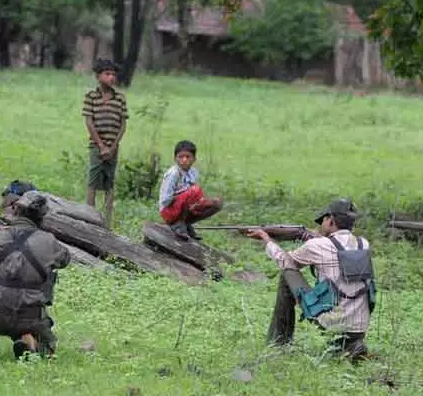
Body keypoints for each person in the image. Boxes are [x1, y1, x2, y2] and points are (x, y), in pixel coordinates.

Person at [245, 198, 375, 361]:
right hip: (360, 327)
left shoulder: (317, 245)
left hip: (331, 323)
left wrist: (266, 238)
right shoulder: (364, 243)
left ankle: (279, 342)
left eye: (323, 220)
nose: (321, 224)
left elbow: (286, 262)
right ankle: (351, 345)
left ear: (330, 221)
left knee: (287, 273)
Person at [0, 192, 70, 360]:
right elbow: (65, 259)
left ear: (16, 211)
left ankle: (24, 340)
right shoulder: (48, 241)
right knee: (48, 346)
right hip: (29, 316)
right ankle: (32, 344)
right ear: (41, 217)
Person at [82, 58, 128, 229]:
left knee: (110, 182)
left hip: (113, 147)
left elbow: (123, 125)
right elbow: (89, 122)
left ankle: (107, 222)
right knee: (93, 181)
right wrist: (101, 146)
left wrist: (113, 146)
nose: (111, 78)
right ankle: (89, 218)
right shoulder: (91, 97)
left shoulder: (120, 98)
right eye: (107, 74)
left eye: (113, 75)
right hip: (96, 146)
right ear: (98, 76)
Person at [158, 140, 223, 240]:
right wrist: (184, 197)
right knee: (194, 191)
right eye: (181, 157)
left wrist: (197, 203)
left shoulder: (193, 172)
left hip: (183, 208)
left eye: (188, 157)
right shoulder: (173, 174)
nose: (184, 160)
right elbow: (165, 200)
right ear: (175, 158)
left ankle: (185, 224)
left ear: (194, 159)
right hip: (168, 211)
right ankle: (178, 225)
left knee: (216, 203)